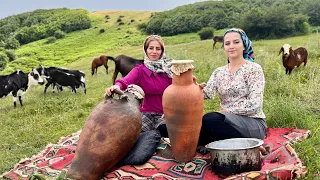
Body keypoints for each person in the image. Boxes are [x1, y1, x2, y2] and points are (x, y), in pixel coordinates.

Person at [197, 28, 267, 146]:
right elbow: (207, 93)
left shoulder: (254, 69)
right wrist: (192, 88)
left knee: (210, 120)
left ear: (244, 45)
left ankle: (247, 143)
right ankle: (234, 144)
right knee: (171, 127)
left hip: (252, 122)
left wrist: (228, 111)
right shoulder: (219, 71)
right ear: (224, 47)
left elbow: (255, 105)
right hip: (225, 121)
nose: (231, 46)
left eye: (236, 42)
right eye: (227, 43)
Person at [105, 35, 172, 137]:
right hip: (145, 113)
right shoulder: (139, 70)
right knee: (135, 134)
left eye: (158, 49)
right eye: (151, 48)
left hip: (164, 113)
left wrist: (171, 110)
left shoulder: (169, 70)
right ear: (146, 50)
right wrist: (116, 87)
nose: (154, 51)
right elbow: (124, 81)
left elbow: (178, 90)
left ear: (162, 51)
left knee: (166, 131)